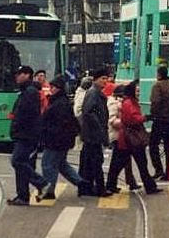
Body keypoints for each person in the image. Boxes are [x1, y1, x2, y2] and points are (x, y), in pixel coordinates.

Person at [38, 75, 91, 198]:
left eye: (53, 87)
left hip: (55, 140)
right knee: (62, 164)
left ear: (59, 88)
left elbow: (57, 124)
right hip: (63, 140)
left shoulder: (59, 103)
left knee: (48, 164)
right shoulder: (61, 101)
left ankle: (49, 191)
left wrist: (46, 133)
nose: (51, 89)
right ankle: (82, 183)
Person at [106, 83, 161, 195]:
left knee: (120, 163)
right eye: (137, 91)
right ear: (131, 92)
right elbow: (132, 118)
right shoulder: (129, 103)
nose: (139, 93)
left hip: (127, 139)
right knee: (139, 163)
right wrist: (145, 118)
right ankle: (150, 186)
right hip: (131, 139)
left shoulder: (128, 102)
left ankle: (111, 185)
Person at [8, 65, 47, 206]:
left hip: (27, 135)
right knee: (21, 164)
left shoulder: (30, 92)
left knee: (17, 162)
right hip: (23, 134)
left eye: (20, 74)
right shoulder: (26, 91)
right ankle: (22, 196)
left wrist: (17, 127)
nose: (16, 76)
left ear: (27, 75)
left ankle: (42, 183)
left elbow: (26, 115)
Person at [79, 67, 111, 197]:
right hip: (93, 135)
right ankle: (99, 189)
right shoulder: (93, 93)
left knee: (88, 163)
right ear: (96, 79)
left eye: (107, 79)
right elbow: (88, 112)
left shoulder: (96, 92)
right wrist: (99, 128)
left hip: (91, 135)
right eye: (103, 79)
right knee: (96, 163)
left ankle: (86, 187)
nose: (105, 82)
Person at [106, 83, 141, 193]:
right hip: (117, 136)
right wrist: (125, 123)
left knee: (124, 161)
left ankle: (130, 182)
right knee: (118, 162)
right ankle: (111, 184)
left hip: (123, 135)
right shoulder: (114, 104)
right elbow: (111, 120)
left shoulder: (122, 103)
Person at [148, 65, 169, 180]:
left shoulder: (157, 86)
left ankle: (158, 169)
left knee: (153, 145)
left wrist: (152, 115)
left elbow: (155, 102)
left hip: (160, 120)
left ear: (158, 74)